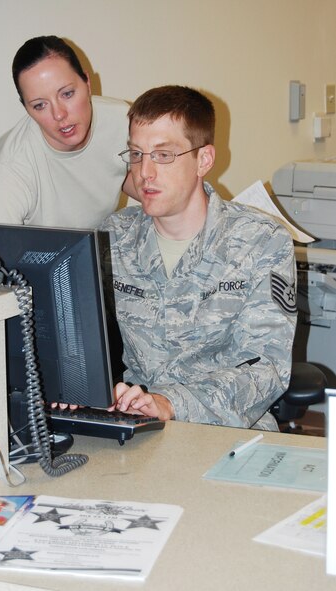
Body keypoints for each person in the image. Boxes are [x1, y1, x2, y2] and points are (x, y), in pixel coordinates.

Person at [100, 85, 297, 431]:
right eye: (136, 154)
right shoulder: (114, 238)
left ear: (203, 160)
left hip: (229, 433)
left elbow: (267, 369)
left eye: (163, 155)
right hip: (135, 427)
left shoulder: (260, 241)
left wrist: (172, 404)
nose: (145, 172)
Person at [0, 36, 136, 227]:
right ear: (26, 108)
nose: (59, 114)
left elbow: (126, 176)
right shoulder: (6, 169)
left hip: (96, 247)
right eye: (40, 105)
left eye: (67, 94)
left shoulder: (120, 119)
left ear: (87, 83)